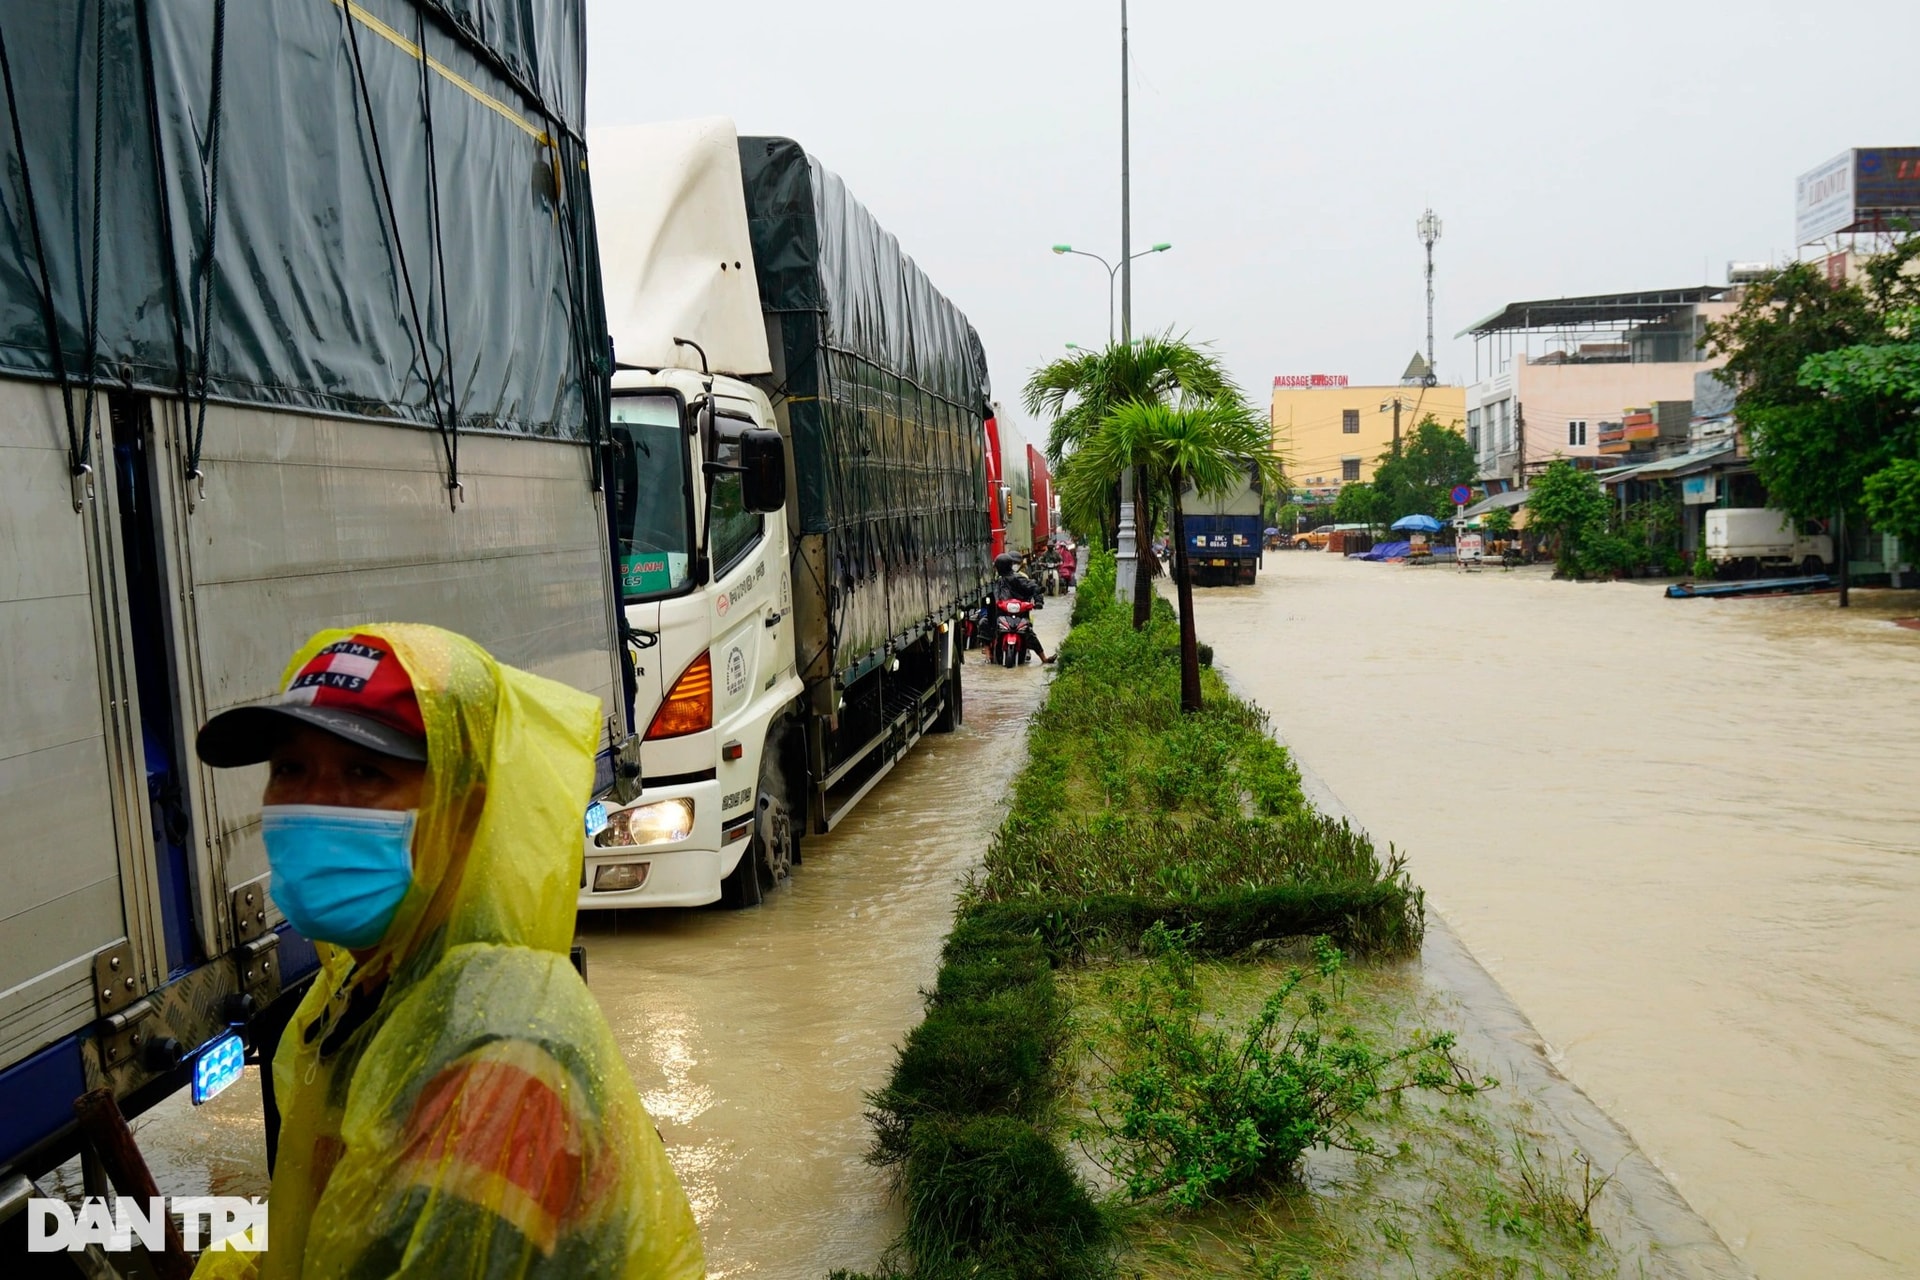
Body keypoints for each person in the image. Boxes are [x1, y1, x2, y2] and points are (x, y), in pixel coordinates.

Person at [191, 624, 703, 1279]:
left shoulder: (499, 1063)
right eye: (290, 769)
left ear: (464, 811)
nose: (314, 806)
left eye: (364, 773)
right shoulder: (367, 992)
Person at [989, 553, 1053, 664]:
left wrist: (1038, 601)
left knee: (1029, 633)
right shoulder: (996, 581)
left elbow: (1033, 587)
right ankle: (988, 653)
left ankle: (1044, 658)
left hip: (1020, 613)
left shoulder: (1018, 578)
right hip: (1002, 613)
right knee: (988, 625)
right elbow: (990, 596)